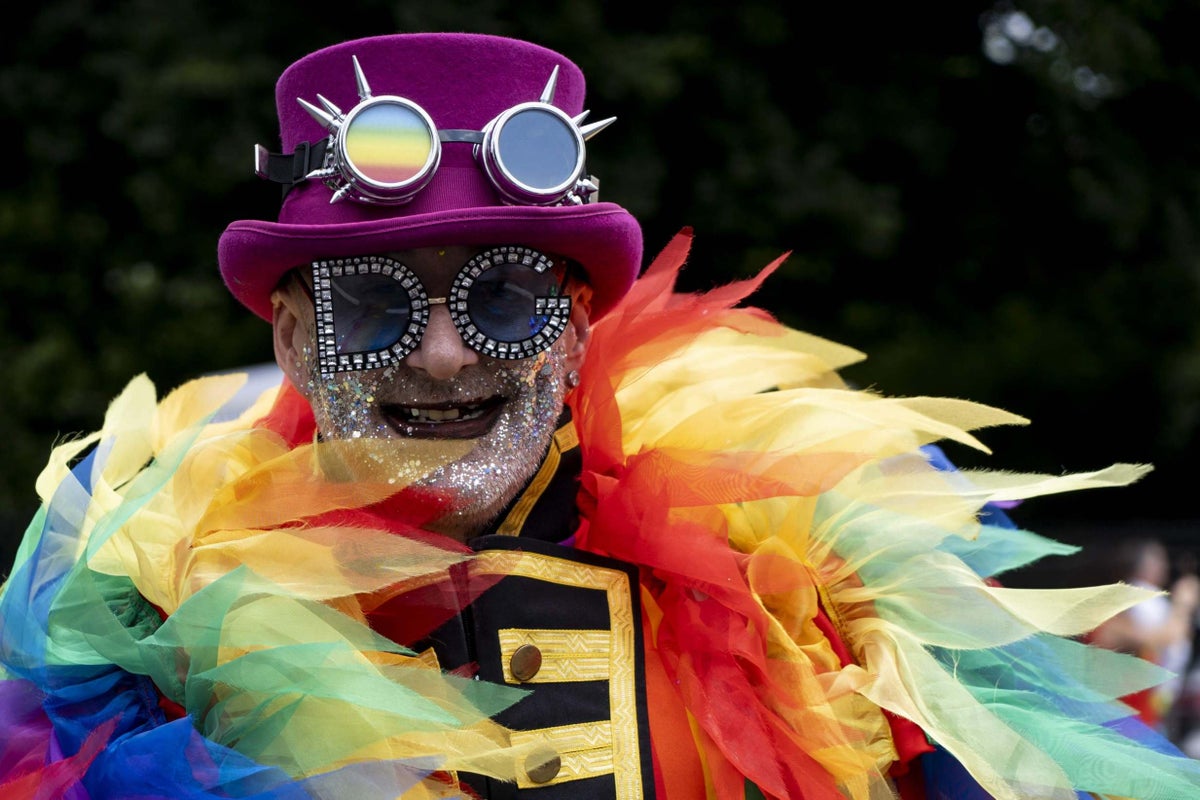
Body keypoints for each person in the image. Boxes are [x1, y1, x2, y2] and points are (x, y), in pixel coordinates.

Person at [1, 31, 1199, 800]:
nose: (439, 352)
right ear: (288, 341)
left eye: (506, 298)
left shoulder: (811, 528)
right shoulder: (139, 567)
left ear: (577, 326)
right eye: (368, 305)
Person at [1087, 537, 1200, 735]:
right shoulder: (1109, 625)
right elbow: (1165, 637)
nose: (1165, 567)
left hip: (1139, 726)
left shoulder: (1130, 622)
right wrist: (1183, 603)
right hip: (1115, 730)